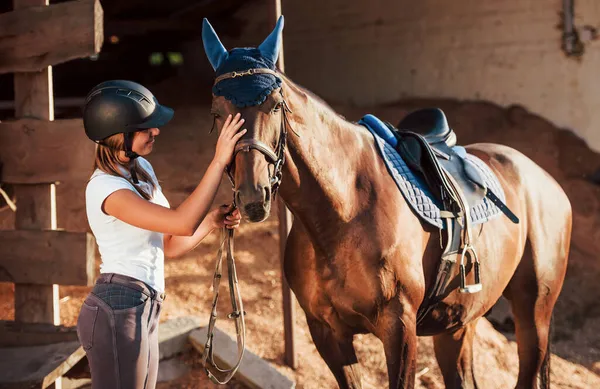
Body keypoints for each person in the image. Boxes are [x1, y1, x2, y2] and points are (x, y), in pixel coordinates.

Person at [76, 80, 246, 389]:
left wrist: (210, 221)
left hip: (143, 306)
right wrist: (219, 160)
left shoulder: (141, 170)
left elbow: (168, 244)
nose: (156, 131)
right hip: (119, 308)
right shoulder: (106, 189)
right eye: (146, 128)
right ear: (119, 134)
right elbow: (181, 222)